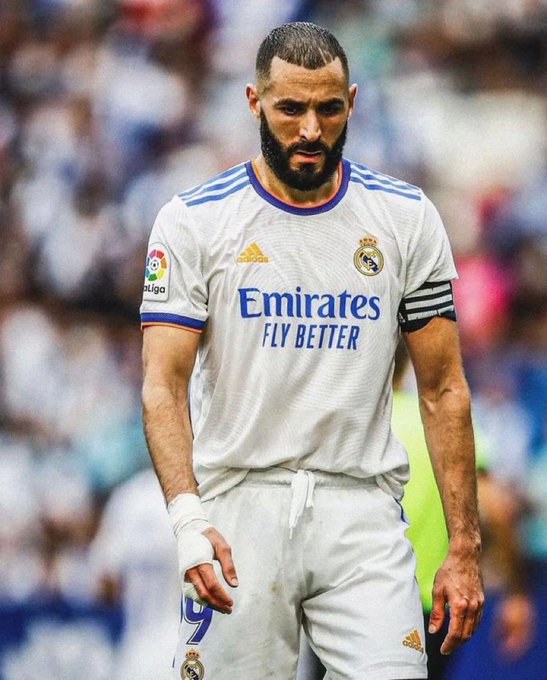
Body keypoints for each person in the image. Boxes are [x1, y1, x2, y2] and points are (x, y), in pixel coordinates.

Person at [141, 22, 484, 680]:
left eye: (328, 109)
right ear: (254, 102)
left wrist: (463, 547)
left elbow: (443, 388)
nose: (309, 129)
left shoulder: (404, 218)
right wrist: (187, 520)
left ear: (351, 103)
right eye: (290, 108)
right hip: (238, 503)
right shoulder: (195, 221)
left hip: (361, 507)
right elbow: (163, 384)